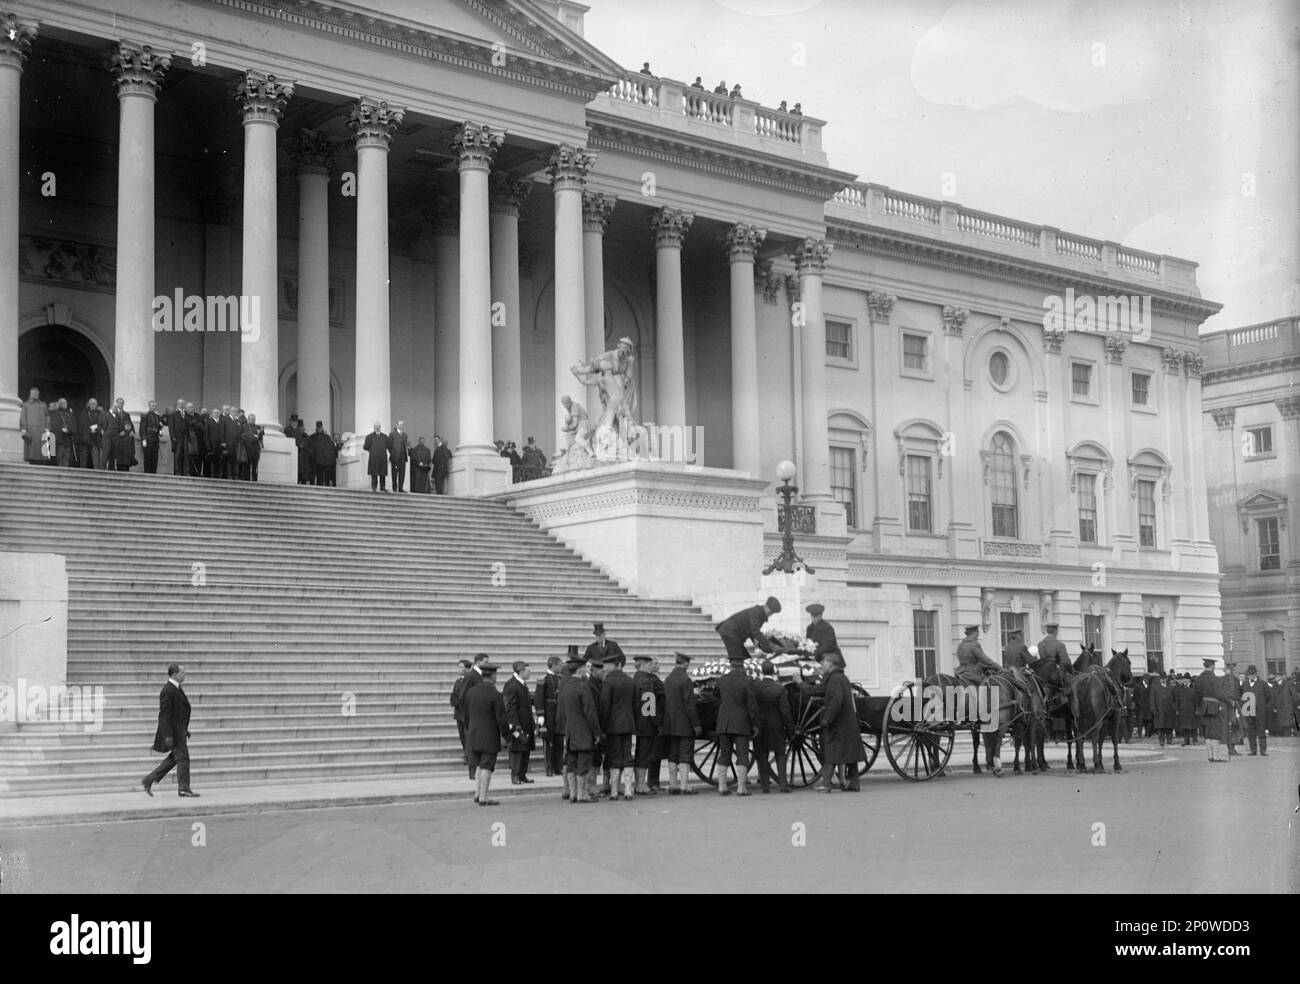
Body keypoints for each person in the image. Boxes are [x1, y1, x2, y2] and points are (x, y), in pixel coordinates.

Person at [142, 663, 198, 797]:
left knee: (175, 758)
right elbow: (164, 715)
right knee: (183, 758)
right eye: (182, 673)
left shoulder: (176, 688)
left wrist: (185, 729)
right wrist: (168, 735)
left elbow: (179, 712)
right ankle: (183, 788)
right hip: (174, 733)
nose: (185, 675)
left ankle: (149, 779)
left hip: (179, 731)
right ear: (174, 674)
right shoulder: (168, 690)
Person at [814, 652, 866, 792]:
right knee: (849, 753)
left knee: (832, 752)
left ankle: (826, 783)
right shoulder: (840, 677)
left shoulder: (835, 679)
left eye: (824, 662)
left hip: (839, 723)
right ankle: (854, 783)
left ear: (831, 663)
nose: (822, 665)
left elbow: (836, 701)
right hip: (847, 722)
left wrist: (827, 719)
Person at [558, 653, 602, 804]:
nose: (586, 671)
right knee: (583, 765)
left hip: (570, 732)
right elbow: (590, 712)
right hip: (583, 733)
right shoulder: (583, 687)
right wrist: (597, 732)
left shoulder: (566, 687)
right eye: (584, 668)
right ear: (580, 669)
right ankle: (582, 794)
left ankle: (573, 793)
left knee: (571, 764)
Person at [464, 662, 509, 806]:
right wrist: (506, 736)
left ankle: (478, 793)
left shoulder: (471, 692)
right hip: (489, 734)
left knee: (478, 764)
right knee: (487, 765)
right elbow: (501, 718)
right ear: (494, 676)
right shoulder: (495, 694)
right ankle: (484, 796)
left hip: (473, 733)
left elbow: (465, 715)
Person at [714, 656, 759, 796]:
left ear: (730, 666)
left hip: (724, 723)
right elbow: (752, 706)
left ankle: (722, 786)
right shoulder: (747, 681)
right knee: (742, 754)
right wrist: (755, 724)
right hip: (741, 723)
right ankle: (741, 787)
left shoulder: (721, 680)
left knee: (724, 753)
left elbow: (716, 696)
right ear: (742, 666)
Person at [599, 652, 637, 800]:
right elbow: (636, 703)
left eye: (606, 666)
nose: (604, 669)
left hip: (613, 725)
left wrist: (602, 725)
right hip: (628, 723)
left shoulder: (608, 682)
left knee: (614, 756)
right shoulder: (629, 680)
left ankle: (614, 790)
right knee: (627, 755)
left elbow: (604, 706)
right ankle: (628, 789)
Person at [754, 659, 795, 793]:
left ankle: (765, 786)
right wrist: (791, 728)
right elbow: (785, 711)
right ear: (773, 671)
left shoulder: (757, 687)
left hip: (761, 724)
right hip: (776, 725)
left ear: (762, 671)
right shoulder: (780, 689)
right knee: (780, 754)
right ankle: (783, 785)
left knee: (762, 754)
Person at [663, 651, 701, 795]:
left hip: (670, 723)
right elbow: (690, 705)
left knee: (673, 754)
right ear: (685, 664)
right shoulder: (685, 680)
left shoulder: (668, 679)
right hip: (684, 724)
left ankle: (673, 785)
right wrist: (696, 724)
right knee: (684, 754)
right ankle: (684, 786)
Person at [632, 653, 665, 794]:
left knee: (641, 752)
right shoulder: (646, 681)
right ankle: (640, 784)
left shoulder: (637, 678)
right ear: (644, 665)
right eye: (650, 664)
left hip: (639, 721)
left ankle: (640, 783)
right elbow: (648, 706)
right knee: (644, 754)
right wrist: (656, 722)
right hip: (646, 724)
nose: (652, 666)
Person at [716, 597, 781, 662]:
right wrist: (771, 646)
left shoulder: (761, 615)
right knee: (738, 659)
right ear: (766, 606)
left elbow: (753, 633)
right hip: (729, 631)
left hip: (735, 635)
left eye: (772, 613)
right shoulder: (756, 612)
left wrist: (762, 646)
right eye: (770, 612)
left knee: (746, 659)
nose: (770, 615)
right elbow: (756, 632)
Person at [502, 660, 535, 784]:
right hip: (518, 723)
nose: (530, 672)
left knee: (525, 749)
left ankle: (522, 774)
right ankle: (515, 775)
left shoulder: (522, 684)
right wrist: (516, 726)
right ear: (521, 671)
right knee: (517, 750)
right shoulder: (512, 685)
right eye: (528, 671)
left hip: (526, 722)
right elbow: (510, 707)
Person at [533, 653, 566, 776]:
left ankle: (558, 766)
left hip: (559, 714)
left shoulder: (560, 678)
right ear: (554, 665)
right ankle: (549, 767)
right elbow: (538, 698)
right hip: (548, 713)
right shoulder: (544, 679)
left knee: (559, 740)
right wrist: (540, 714)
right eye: (560, 665)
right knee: (548, 741)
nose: (561, 667)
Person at [1193, 658, 1229, 762]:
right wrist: (1229, 702)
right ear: (1212, 666)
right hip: (1213, 707)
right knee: (1215, 732)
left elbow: (1196, 695)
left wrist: (1198, 708)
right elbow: (1219, 694)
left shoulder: (1198, 679)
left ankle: (1210, 755)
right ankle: (1216, 756)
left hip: (1204, 707)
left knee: (1207, 732)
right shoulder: (1215, 678)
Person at [449, 658, 475, 775]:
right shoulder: (457, 681)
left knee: (468, 734)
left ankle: (470, 755)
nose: (459, 670)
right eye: (458, 667)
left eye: (461, 667)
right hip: (459, 712)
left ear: (468, 669)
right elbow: (454, 695)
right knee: (462, 734)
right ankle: (466, 753)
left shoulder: (471, 681)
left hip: (468, 712)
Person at [1240, 665, 1273, 756]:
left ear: (1256, 674)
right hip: (1249, 711)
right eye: (1249, 675)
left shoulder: (1263, 684)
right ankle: (1253, 750)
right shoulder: (1245, 684)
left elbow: (1269, 697)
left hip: (1260, 711)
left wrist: (1265, 706)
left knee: (1261, 730)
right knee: (1251, 731)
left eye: (1252, 674)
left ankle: (1263, 750)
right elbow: (1241, 696)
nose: (1250, 676)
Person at [74, 398, 106, 470]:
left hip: (95, 438)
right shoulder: (83, 413)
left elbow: (102, 425)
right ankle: (83, 471)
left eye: (95, 404)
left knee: (95, 457)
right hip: (85, 438)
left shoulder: (100, 414)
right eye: (92, 403)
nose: (93, 405)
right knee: (83, 456)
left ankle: (96, 471)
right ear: (88, 404)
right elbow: (80, 426)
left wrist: (97, 429)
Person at [18, 387, 47, 464]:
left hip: (41, 430)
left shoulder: (43, 405)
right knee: (31, 449)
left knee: (40, 449)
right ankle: (32, 461)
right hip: (30, 430)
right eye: (34, 393)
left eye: (37, 393)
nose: (36, 395)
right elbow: (23, 417)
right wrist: (23, 428)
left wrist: (48, 427)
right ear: (30, 394)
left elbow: (47, 416)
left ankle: (40, 461)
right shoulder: (26, 405)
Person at [1148, 672, 1176, 746]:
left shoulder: (1170, 687)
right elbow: (1152, 699)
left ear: (1166, 679)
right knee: (1161, 727)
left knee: (1169, 727)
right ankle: (1161, 740)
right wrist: (1153, 709)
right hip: (1159, 710)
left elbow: (1173, 699)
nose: (1163, 680)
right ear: (1159, 679)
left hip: (1169, 710)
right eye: (1161, 679)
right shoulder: (1155, 687)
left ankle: (1169, 740)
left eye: (1164, 679)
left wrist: (1174, 708)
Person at [307, 421, 337, 486]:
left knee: (326, 479)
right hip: (318, 462)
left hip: (326, 462)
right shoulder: (313, 437)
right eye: (318, 427)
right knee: (319, 478)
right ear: (316, 427)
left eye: (320, 427)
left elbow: (331, 449)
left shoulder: (327, 437)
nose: (319, 428)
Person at [363, 422, 389, 492]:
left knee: (382, 473)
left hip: (382, 457)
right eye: (375, 426)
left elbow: (388, 446)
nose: (377, 427)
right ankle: (374, 487)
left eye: (378, 426)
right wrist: (372, 451)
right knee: (374, 473)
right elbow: (365, 447)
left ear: (380, 427)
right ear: (374, 427)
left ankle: (382, 487)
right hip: (374, 457)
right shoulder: (369, 436)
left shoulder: (385, 436)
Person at [48, 398, 75, 467]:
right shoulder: (55, 413)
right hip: (59, 439)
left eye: (65, 403)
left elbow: (73, 425)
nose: (65, 405)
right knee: (59, 457)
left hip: (67, 439)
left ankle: (65, 472)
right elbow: (54, 426)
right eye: (63, 403)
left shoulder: (69, 414)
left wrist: (68, 430)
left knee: (66, 457)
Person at [139, 400, 164, 474]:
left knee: (154, 456)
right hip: (148, 437)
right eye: (152, 405)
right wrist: (144, 439)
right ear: (149, 406)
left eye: (155, 406)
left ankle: (153, 472)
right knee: (148, 456)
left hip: (155, 438)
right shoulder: (145, 415)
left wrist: (160, 431)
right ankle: (147, 472)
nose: (154, 407)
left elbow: (159, 426)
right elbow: (142, 428)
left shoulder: (157, 416)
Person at [110, 404, 136, 472]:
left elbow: (131, 425)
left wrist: (132, 431)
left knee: (126, 463)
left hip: (127, 440)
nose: (120, 405)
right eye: (119, 403)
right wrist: (118, 433)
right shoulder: (113, 414)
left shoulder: (126, 414)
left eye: (122, 403)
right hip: (117, 439)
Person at [1173, 674, 1198, 745]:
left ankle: (1194, 740)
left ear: (1189, 680)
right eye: (1184, 679)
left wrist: (1197, 709)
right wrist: (1177, 709)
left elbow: (1197, 700)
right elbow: (1177, 700)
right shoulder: (1181, 688)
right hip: (1183, 709)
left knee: (1193, 726)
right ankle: (1186, 740)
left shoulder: (1193, 688)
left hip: (1192, 709)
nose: (1184, 680)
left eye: (1186, 679)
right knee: (1184, 726)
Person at [389, 419, 410, 493]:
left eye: (402, 424)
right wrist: (392, 454)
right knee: (395, 472)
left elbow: (406, 446)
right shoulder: (392, 434)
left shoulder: (405, 435)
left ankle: (400, 488)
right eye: (400, 424)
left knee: (402, 473)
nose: (401, 426)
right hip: (395, 457)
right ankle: (394, 487)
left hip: (402, 457)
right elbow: (389, 445)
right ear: (397, 425)